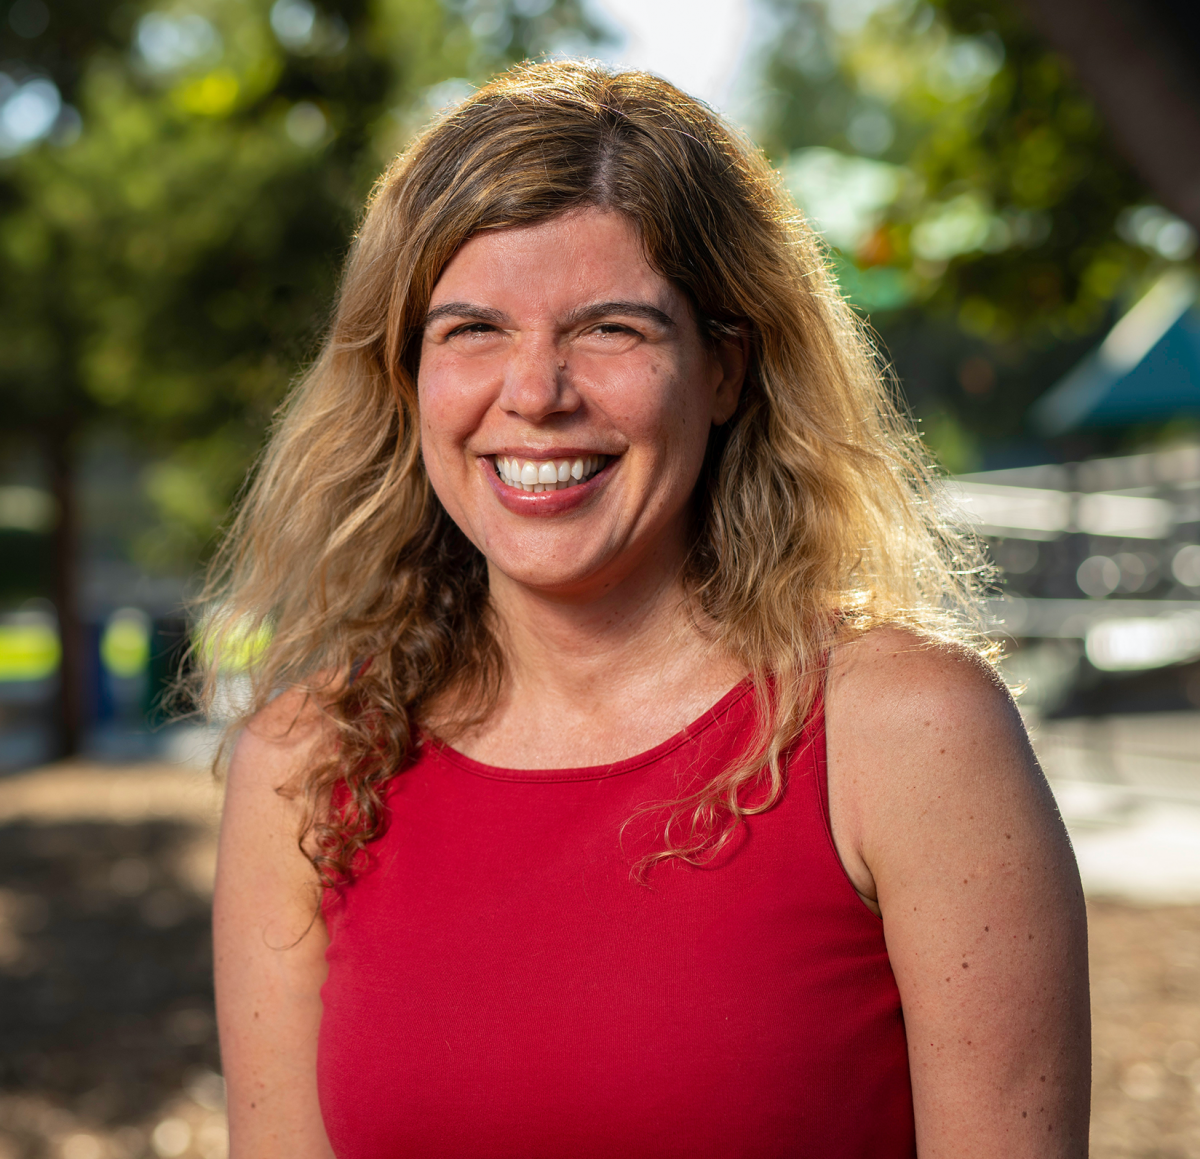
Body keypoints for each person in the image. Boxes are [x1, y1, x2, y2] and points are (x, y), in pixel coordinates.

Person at [204, 60, 1090, 1158]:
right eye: (473, 329)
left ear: (723, 370)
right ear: (404, 376)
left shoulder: (906, 735)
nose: (536, 393)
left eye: (610, 329)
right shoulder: (308, 761)